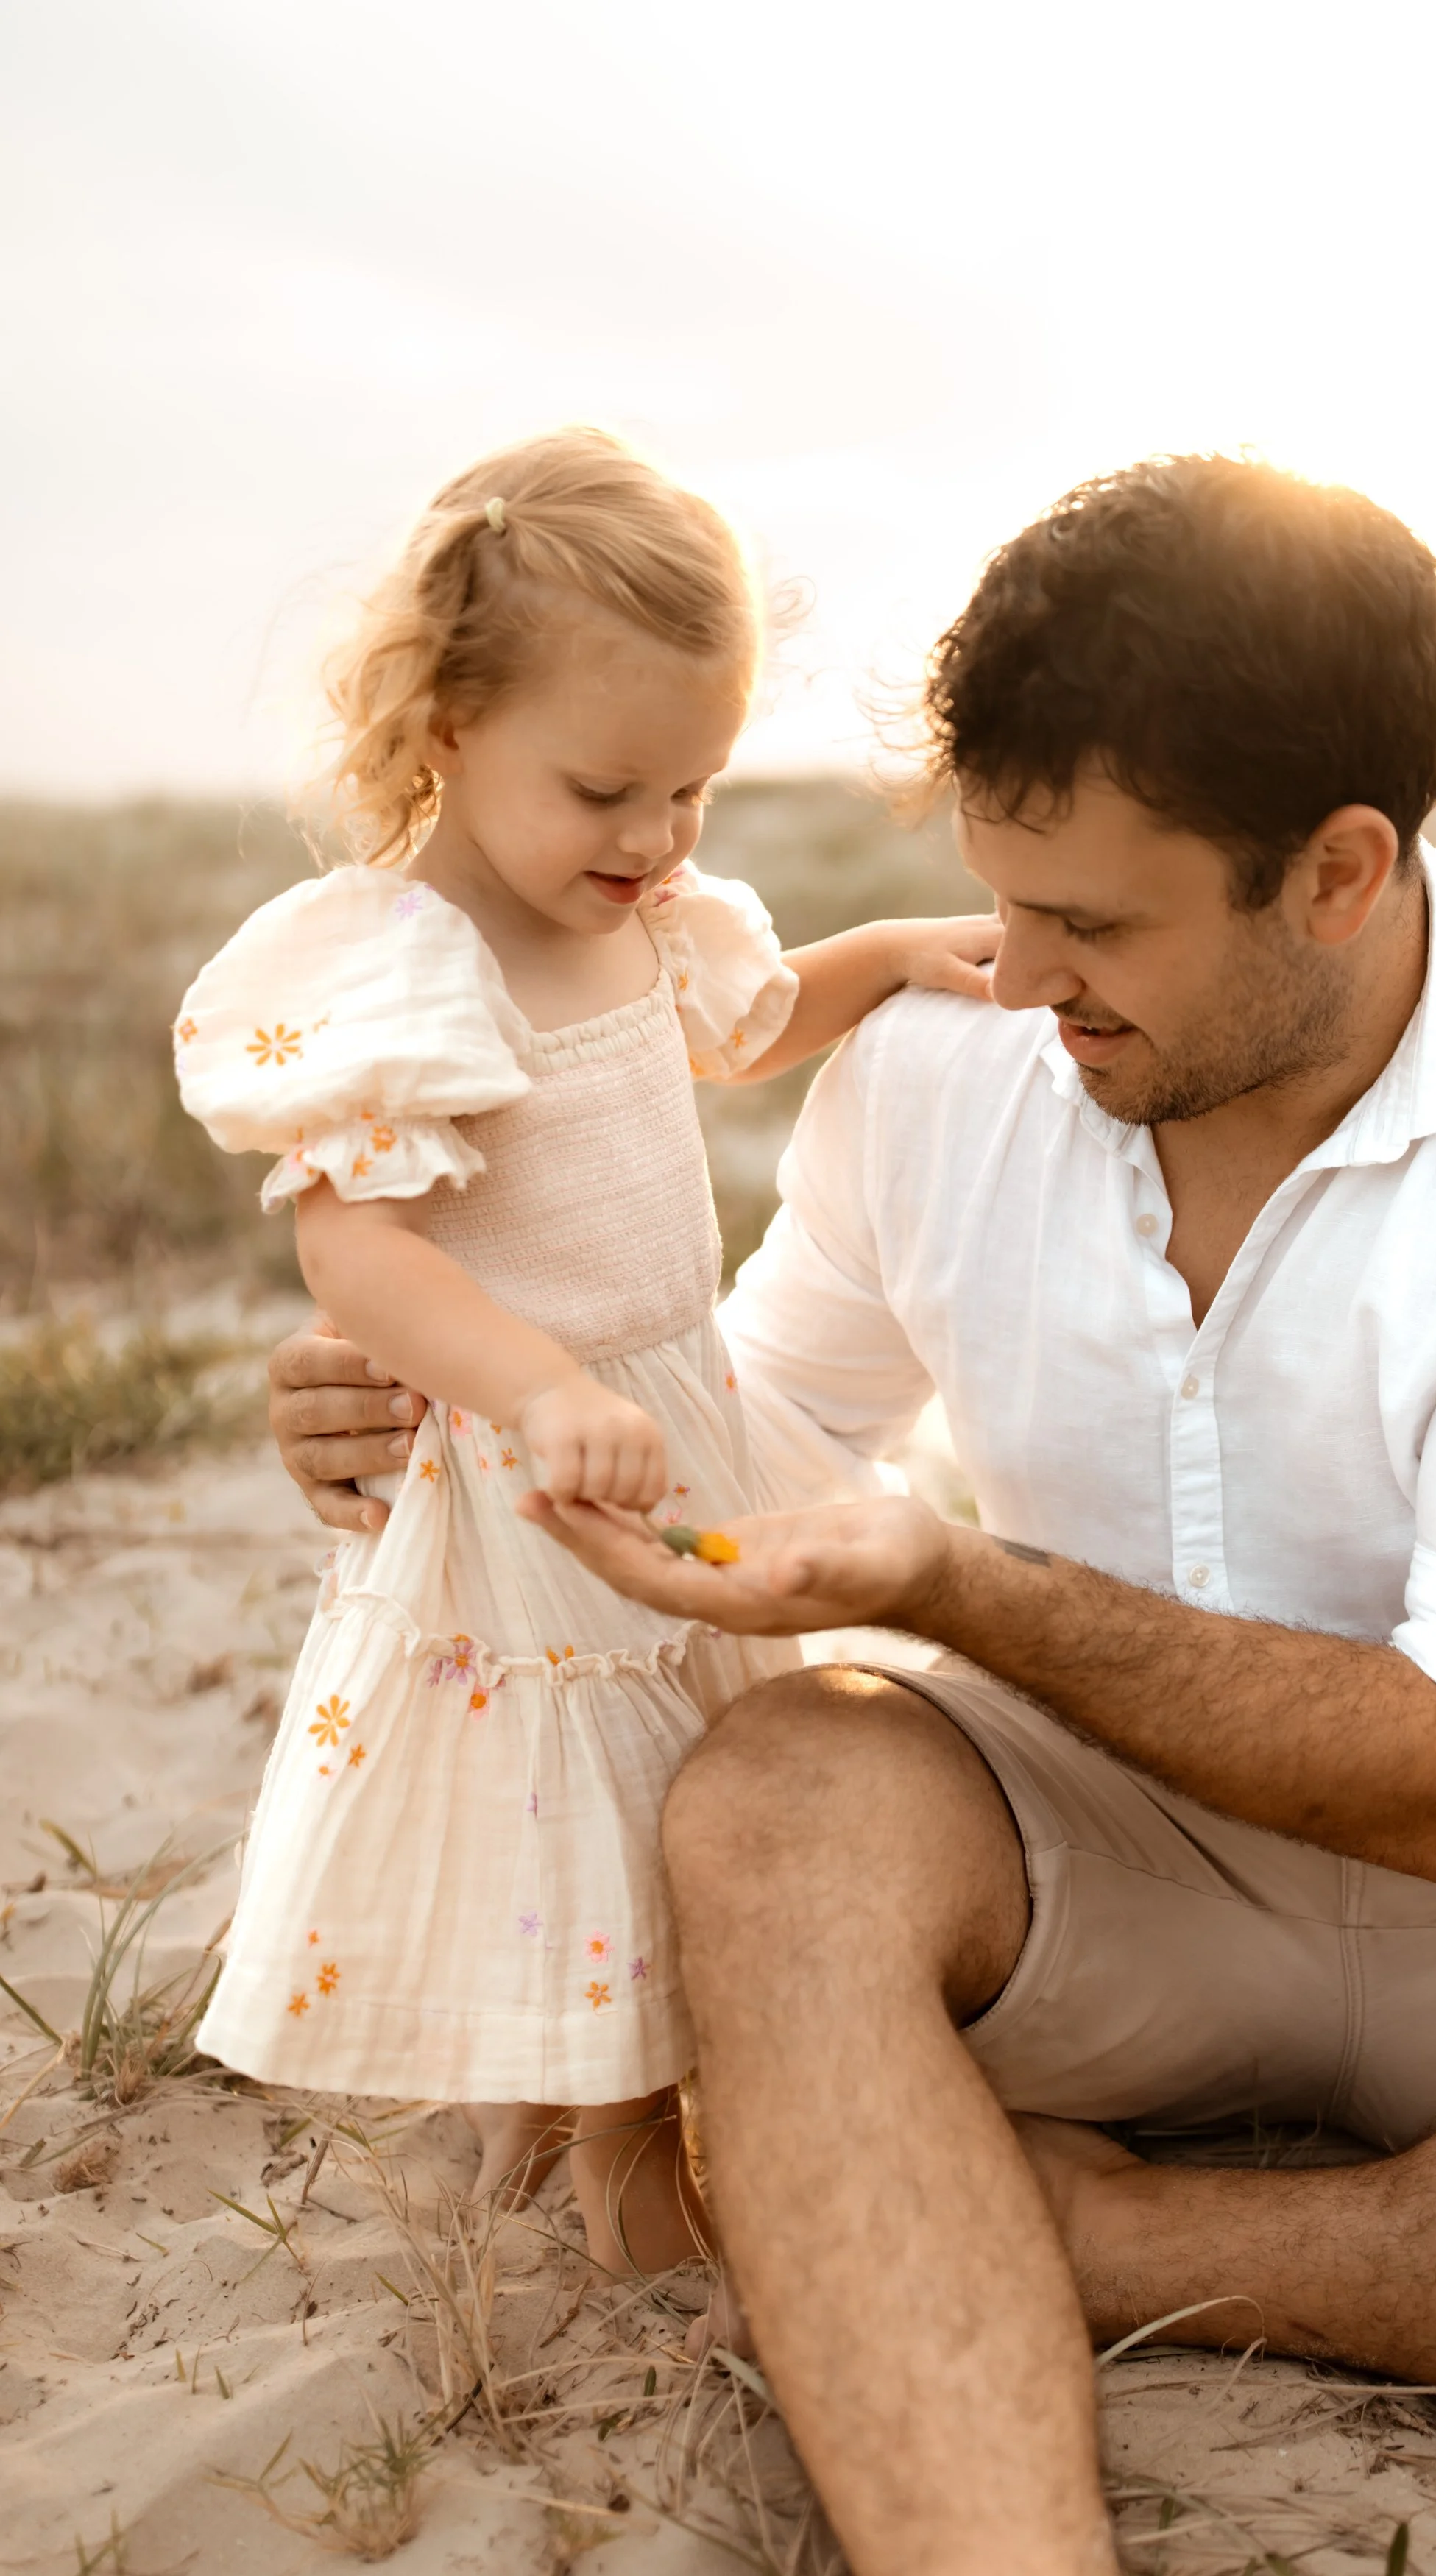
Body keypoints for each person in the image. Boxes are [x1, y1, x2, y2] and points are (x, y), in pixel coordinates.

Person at [269, 455, 1436, 2576]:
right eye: (1002, 898)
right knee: (781, 1798)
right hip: (1076, 1846)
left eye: (1092, 925)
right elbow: (758, 1440)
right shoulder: (945, 1059)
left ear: (1339, 872)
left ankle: (1100, 2233)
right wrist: (442, 1429)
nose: (1015, 976)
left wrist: (958, 1583)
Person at [175, 426, 997, 2280]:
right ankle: (615, 2174)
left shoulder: (648, 919)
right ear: (449, 723)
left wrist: (890, 950)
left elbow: (746, 1028)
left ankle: (563, 2126)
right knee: (590, 1810)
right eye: (606, 789)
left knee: (669, 1785)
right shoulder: (410, 965)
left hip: (668, 1418)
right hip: (532, 1461)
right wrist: (537, 1386)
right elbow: (353, 1243)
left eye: (692, 790)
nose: (655, 840)